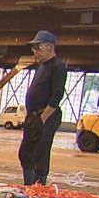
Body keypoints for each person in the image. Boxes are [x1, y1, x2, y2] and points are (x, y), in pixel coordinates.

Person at [19, 30, 68, 185]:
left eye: (37, 48)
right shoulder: (41, 67)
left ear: (49, 47)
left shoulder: (58, 66)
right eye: (33, 49)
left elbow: (57, 94)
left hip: (46, 116)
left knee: (40, 154)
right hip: (33, 116)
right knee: (25, 153)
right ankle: (28, 186)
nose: (35, 52)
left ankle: (38, 188)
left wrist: (43, 118)